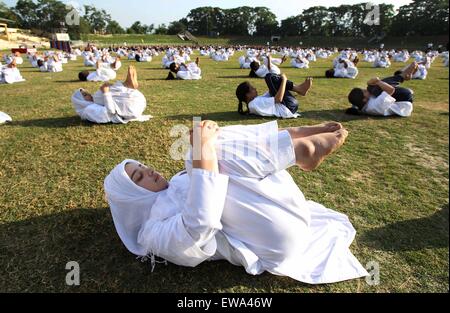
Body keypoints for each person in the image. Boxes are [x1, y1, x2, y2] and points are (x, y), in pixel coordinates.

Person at [104, 119, 369, 284]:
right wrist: (202, 151)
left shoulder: (177, 182)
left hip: (290, 208)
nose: (149, 171)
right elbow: (200, 224)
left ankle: (294, 140)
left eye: (143, 166)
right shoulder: (152, 233)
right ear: (133, 198)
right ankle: (295, 146)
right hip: (277, 241)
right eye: (139, 177)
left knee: (206, 150)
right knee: (198, 153)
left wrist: (204, 148)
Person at [72, 66, 150, 124]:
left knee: (103, 93)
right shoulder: (89, 110)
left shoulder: (93, 105)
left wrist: (109, 88)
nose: (89, 94)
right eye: (85, 95)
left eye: (86, 92)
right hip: (130, 110)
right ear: (81, 102)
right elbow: (110, 111)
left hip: (135, 102)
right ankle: (126, 84)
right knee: (99, 95)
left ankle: (126, 85)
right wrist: (106, 93)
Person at [346, 62, 417, 117]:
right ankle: (403, 76)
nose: (366, 90)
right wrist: (378, 81)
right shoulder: (374, 106)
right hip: (404, 100)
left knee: (372, 88)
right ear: (364, 99)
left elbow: (354, 104)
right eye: (364, 91)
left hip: (399, 97)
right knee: (375, 88)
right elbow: (391, 90)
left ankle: (403, 76)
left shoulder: (361, 104)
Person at [235, 73, 312, 118]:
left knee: (274, 79)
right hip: (288, 107)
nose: (255, 89)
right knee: (270, 77)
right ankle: (299, 89)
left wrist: (277, 83)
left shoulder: (253, 103)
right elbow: (278, 99)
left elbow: (271, 93)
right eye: (252, 89)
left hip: (288, 107)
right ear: (247, 95)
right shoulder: (255, 103)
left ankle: (299, 89)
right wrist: (284, 80)